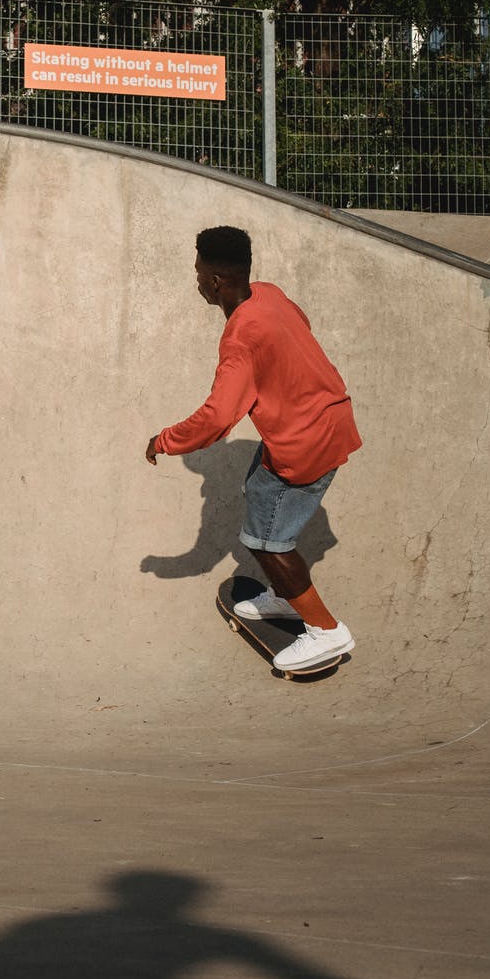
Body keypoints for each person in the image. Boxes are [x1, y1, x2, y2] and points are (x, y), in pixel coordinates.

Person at [145, 226, 362, 672]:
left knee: (266, 542)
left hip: (304, 446)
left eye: (198, 272)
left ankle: (325, 632)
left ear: (214, 281)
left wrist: (164, 440)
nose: (197, 280)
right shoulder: (268, 294)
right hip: (330, 420)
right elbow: (301, 322)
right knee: (258, 484)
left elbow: (217, 418)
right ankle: (284, 598)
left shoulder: (241, 340)